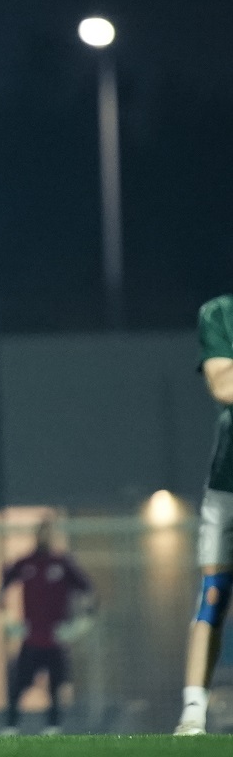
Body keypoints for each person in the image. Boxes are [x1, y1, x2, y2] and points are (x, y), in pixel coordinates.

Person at [174, 293, 233, 736]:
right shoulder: (219, 313)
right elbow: (223, 385)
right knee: (213, 594)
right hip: (227, 485)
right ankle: (193, 711)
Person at [0, 518, 93, 736]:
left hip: (55, 639)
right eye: (42, 532)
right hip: (31, 638)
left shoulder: (62, 563)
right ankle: (10, 727)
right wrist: (5, 619)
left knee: (55, 686)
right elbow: (2, 589)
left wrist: (81, 624)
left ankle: (53, 727)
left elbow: (87, 590)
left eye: (49, 533)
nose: (45, 537)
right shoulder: (25, 563)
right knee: (19, 684)